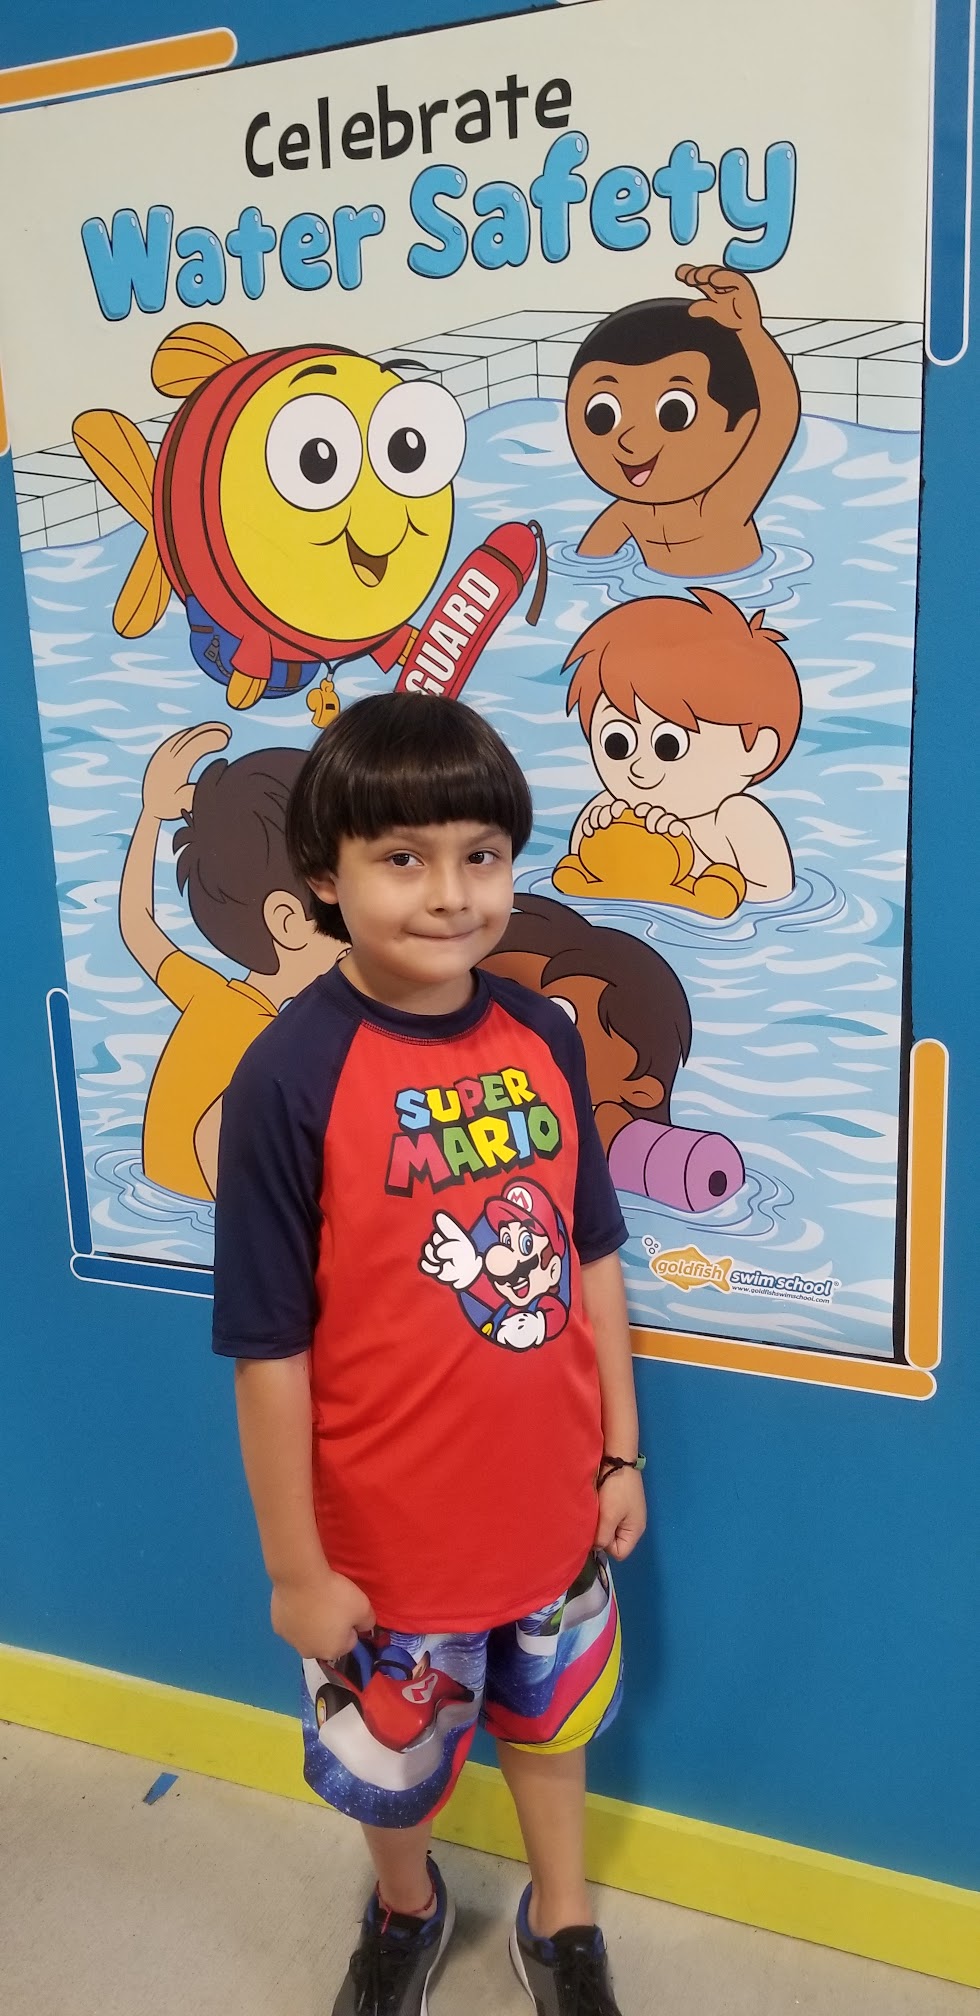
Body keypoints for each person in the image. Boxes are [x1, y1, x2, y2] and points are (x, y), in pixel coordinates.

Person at [212, 693, 647, 2016]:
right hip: (383, 1547)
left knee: (549, 1728)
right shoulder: (289, 1076)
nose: (451, 893)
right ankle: (406, 1907)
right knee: (388, 1768)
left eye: (480, 855)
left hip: (551, 1510)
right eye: (403, 858)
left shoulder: (545, 1038)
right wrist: (297, 1572)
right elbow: (266, 1348)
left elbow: (590, 1253)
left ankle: (561, 1919)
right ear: (324, 876)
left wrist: (621, 1452)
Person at [119, 722, 341, 1200]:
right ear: (287, 922)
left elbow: (138, 926)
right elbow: (212, 1145)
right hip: (202, 1211)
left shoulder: (210, 994)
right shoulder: (275, 1041)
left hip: (153, 1197)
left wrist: (152, 815)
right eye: (346, 936)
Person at [553, 588, 802, 914]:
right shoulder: (609, 806)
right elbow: (577, 869)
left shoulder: (736, 817)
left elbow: (773, 893)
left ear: (756, 751)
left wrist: (691, 845)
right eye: (617, 743)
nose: (638, 768)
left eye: (668, 746)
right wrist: (597, 835)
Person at [566, 265, 800, 576]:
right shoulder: (629, 513)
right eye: (602, 416)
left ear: (743, 426)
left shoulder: (724, 503)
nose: (628, 439)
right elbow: (584, 566)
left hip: (742, 589)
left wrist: (751, 334)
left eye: (674, 414)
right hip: (655, 593)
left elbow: (777, 421)